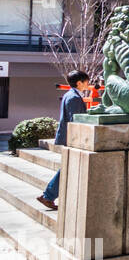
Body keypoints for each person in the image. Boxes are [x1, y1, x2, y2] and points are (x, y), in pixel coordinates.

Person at [36, 71, 92, 210]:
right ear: (79, 83)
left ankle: (48, 196)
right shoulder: (74, 97)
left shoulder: (70, 95)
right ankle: (48, 196)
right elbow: (76, 120)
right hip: (72, 138)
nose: (88, 84)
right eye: (86, 81)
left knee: (67, 167)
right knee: (67, 168)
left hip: (69, 137)